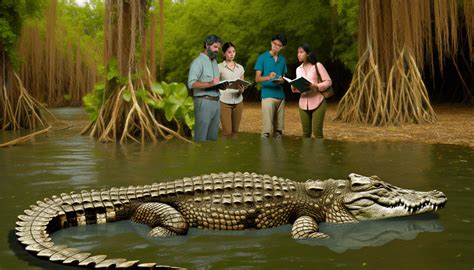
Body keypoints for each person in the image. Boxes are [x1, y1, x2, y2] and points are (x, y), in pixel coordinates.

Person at [188, 35, 226, 142]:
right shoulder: (197, 62)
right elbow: (191, 84)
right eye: (215, 47)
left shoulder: (214, 63)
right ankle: (199, 158)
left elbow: (215, 83)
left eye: (218, 48)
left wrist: (222, 85)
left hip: (216, 103)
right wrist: (209, 83)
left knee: (213, 140)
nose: (217, 50)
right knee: (200, 140)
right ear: (206, 45)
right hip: (203, 102)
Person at [291, 43, 332, 138]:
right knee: (306, 134)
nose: (299, 54)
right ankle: (307, 153)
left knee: (317, 132)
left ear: (308, 54)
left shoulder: (317, 65)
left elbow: (328, 82)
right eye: (298, 53)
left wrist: (316, 86)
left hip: (318, 102)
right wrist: (294, 87)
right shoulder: (298, 69)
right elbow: (300, 88)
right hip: (303, 103)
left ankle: (318, 153)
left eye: (301, 52)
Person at [254, 33, 288, 138]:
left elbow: (284, 78)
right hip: (267, 95)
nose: (276, 46)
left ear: (282, 47)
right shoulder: (262, 58)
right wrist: (268, 77)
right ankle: (266, 153)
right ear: (271, 42)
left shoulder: (283, 60)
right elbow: (257, 78)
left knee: (278, 132)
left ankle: (276, 152)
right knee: (266, 132)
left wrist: (282, 81)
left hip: (281, 96)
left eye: (279, 45)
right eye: (274, 43)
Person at [218, 42, 246, 138]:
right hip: (224, 101)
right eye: (229, 52)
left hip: (238, 101)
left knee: (235, 132)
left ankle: (234, 151)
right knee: (227, 132)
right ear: (224, 53)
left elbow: (242, 83)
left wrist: (242, 89)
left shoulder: (240, 68)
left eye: (233, 51)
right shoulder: (218, 67)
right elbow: (214, 84)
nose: (232, 54)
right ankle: (223, 151)